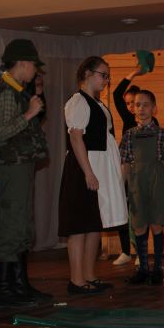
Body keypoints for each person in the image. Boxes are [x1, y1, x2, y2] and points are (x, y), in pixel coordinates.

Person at [58, 56, 128, 294]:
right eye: (103, 74)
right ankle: (76, 281)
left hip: (97, 167)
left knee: (93, 224)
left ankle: (89, 276)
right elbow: (76, 138)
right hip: (83, 167)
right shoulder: (78, 101)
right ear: (87, 74)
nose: (106, 80)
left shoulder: (97, 103)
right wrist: (88, 172)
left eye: (108, 76)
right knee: (79, 226)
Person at [0, 39, 51, 307]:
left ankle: (19, 286)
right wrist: (29, 114)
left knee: (23, 226)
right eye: (34, 66)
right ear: (24, 63)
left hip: (21, 164)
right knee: (12, 226)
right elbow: (2, 132)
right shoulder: (7, 93)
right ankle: (3, 291)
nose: (36, 71)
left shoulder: (17, 90)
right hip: (11, 166)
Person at [120, 90, 164, 285]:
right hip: (136, 184)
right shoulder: (129, 135)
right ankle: (143, 269)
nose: (141, 108)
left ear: (154, 109)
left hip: (156, 183)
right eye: (137, 105)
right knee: (139, 225)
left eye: (145, 105)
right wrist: (121, 186)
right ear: (133, 109)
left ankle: (157, 269)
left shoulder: (162, 134)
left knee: (156, 224)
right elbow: (125, 163)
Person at [111, 70, 145, 265]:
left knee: (139, 213)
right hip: (125, 171)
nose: (131, 107)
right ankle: (126, 251)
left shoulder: (150, 121)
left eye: (134, 102)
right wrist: (133, 73)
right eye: (128, 103)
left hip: (141, 174)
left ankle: (140, 252)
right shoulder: (127, 119)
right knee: (122, 209)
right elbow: (117, 94)